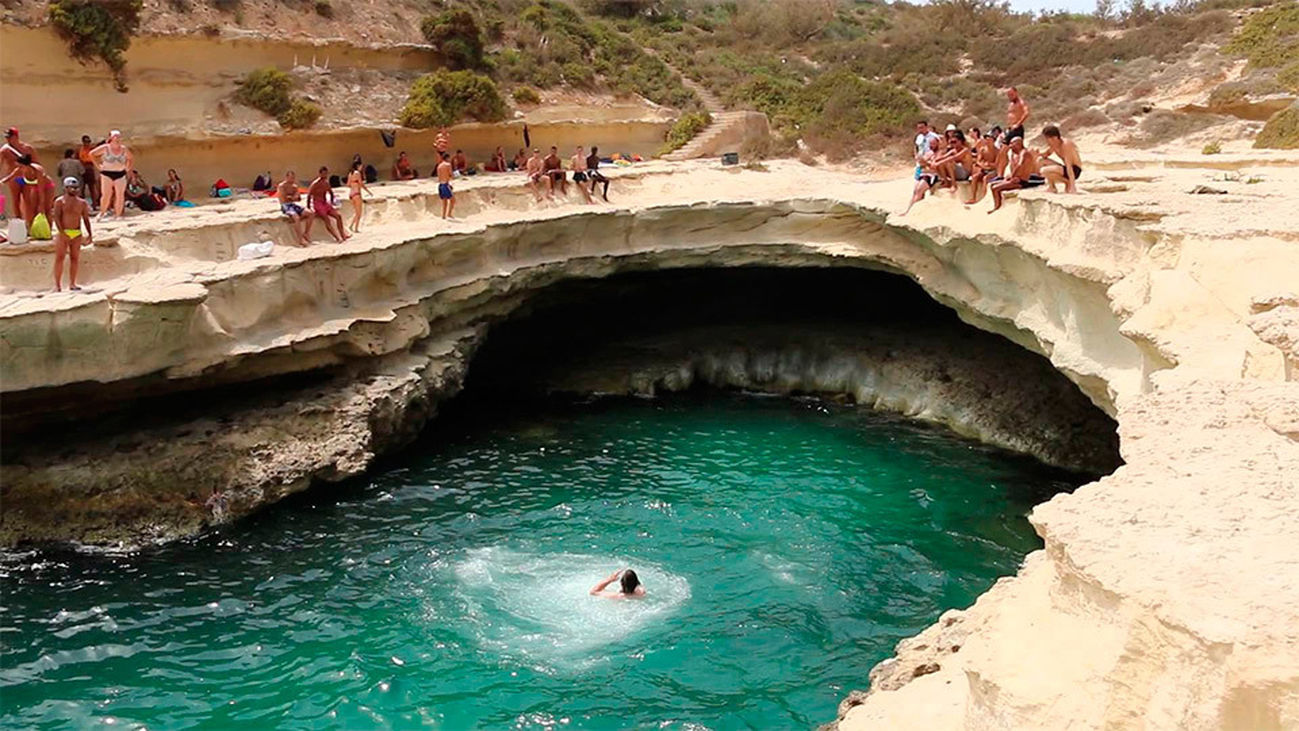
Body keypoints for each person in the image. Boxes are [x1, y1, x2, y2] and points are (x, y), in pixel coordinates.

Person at [52, 177, 93, 292]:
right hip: (63, 232)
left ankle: (72, 284)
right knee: (59, 258)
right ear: (65, 188)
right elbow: (57, 218)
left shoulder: (82, 203)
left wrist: (90, 234)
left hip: (76, 233)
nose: (74, 190)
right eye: (71, 187)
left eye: (76, 188)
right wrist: (62, 232)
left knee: (74, 258)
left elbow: (85, 219)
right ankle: (57, 285)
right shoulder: (59, 201)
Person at [988, 136, 1044, 213]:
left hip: (1022, 181)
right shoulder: (1014, 154)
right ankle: (998, 205)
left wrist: (1012, 176)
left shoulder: (1024, 153)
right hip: (1015, 179)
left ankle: (997, 207)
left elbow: (1020, 165)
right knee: (992, 185)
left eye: (1011, 144)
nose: (1010, 146)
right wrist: (1009, 177)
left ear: (1018, 144)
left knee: (995, 188)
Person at [0, 157, 52, 236]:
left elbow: (41, 189)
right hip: (34, 188)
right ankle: (31, 230)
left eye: (20, 165)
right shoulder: (19, 170)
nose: (18, 167)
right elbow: (8, 178)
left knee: (46, 208)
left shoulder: (38, 170)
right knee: (31, 209)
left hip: (47, 187)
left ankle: (48, 231)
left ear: (24, 165)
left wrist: (41, 203)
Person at [91, 130, 132, 220]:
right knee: (106, 194)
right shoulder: (105, 148)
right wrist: (98, 165)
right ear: (111, 138)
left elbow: (130, 158)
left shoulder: (124, 149)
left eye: (118, 136)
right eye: (115, 136)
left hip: (120, 173)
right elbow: (92, 154)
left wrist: (128, 168)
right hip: (107, 173)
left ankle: (118, 215)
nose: (117, 138)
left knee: (120, 195)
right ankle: (102, 213)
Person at [901, 135, 943, 216]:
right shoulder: (929, 153)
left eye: (933, 144)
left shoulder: (940, 153)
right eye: (930, 144)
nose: (932, 146)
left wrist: (926, 163)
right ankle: (910, 210)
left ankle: (910, 212)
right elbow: (922, 164)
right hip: (924, 173)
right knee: (916, 191)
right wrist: (925, 162)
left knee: (919, 191)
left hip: (932, 175)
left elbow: (934, 166)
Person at [2, 128, 37, 219]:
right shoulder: (5, 150)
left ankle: (29, 221)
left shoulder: (27, 148)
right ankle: (19, 220)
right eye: (7, 138)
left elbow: (36, 162)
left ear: (16, 137)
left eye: (10, 137)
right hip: (14, 178)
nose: (8, 140)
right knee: (16, 200)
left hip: (26, 176)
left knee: (28, 200)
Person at [307, 166, 348, 242]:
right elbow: (309, 195)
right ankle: (337, 238)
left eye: (326, 174)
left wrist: (332, 203)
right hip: (317, 203)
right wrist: (309, 207)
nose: (325, 175)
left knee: (338, 216)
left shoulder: (326, 183)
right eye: (323, 174)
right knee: (326, 219)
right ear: (320, 174)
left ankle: (342, 234)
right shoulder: (315, 184)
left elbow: (331, 193)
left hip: (325, 202)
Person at [1038, 125, 1083, 194]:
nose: (1046, 140)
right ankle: (1052, 187)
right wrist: (1037, 153)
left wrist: (1073, 187)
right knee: (1041, 161)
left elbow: (1069, 166)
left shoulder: (1066, 144)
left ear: (1054, 138)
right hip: (1064, 169)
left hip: (1075, 170)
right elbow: (1046, 155)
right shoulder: (1054, 144)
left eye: (1047, 138)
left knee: (1044, 170)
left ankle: (1069, 183)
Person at [964, 127, 1000, 205]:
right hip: (985, 169)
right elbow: (978, 161)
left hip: (993, 170)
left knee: (985, 178)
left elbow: (997, 164)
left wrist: (989, 165)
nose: (987, 140)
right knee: (975, 177)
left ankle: (984, 198)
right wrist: (984, 165)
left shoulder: (997, 151)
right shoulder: (983, 150)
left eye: (989, 139)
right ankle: (973, 197)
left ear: (993, 140)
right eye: (986, 139)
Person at [277, 170, 311, 246]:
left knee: (310, 213)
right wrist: (293, 197)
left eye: (293, 178)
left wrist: (292, 198)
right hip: (285, 205)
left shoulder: (294, 186)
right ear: (286, 177)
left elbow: (299, 198)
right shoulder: (282, 186)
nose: (292, 179)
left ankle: (306, 233)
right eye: (291, 178)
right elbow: (284, 199)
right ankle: (300, 239)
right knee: (296, 217)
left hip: (293, 204)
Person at [346, 160, 373, 233]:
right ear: (358, 166)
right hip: (357, 194)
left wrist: (354, 183)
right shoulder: (357, 173)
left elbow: (348, 184)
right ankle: (356, 228)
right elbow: (361, 184)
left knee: (356, 212)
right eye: (361, 166)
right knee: (359, 213)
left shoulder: (350, 174)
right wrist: (368, 191)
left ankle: (351, 226)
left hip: (351, 194)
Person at [77, 135, 101, 209]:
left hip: (90, 170)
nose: (87, 143)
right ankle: (82, 206)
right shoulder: (79, 150)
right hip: (82, 170)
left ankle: (94, 205)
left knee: (92, 189)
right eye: (86, 142)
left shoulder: (92, 149)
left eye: (88, 141)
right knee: (82, 188)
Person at [436, 151, 455, 219]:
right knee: (453, 200)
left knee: (444, 201)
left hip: (440, 185)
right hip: (445, 184)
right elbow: (451, 175)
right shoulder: (448, 165)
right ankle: (449, 214)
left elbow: (439, 177)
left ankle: (443, 215)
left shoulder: (439, 166)